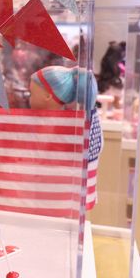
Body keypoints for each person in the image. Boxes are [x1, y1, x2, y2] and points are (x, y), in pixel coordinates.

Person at [29, 66, 102, 209]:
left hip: (50, 199)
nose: (29, 98)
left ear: (47, 96)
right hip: (56, 199)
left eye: (31, 93)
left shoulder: (60, 128)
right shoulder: (77, 125)